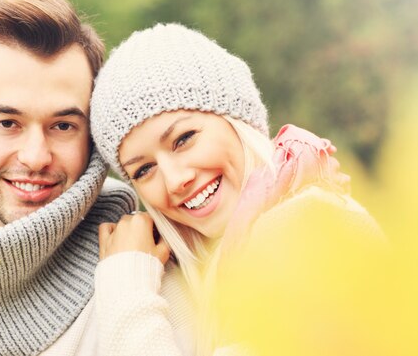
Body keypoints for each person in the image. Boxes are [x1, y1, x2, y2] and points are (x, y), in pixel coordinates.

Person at [0, 0, 193, 356]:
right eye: (8, 123)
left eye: (63, 126)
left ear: (92, 138)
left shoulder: (155, 283)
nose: (36, 157)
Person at [89, 23, 386, 355]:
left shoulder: (300, 229)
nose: (174, 180)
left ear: (236, 119)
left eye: (183, 139)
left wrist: (126, 289)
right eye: (144, 169)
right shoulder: (230, 259)